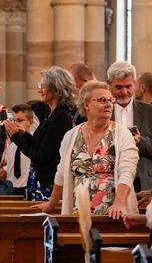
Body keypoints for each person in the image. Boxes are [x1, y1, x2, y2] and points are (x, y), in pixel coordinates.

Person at [34, 81, 138, 217]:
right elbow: (61, 172)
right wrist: (51, 204)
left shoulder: (122, 134)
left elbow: (127, 171)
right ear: (86, 105)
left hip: (113, 214)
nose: (108, 104)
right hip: (78, 213)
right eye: (102, 100)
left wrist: (119, 203)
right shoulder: (71, 135)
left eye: (110, 100)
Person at [6, 66, 75, 201]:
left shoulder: (60, 117)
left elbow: (43, 156)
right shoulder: (52, 114)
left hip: (48, 183)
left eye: (42, 86)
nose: (39, 90)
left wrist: (17, 138)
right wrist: (23, 134)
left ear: (55, 89)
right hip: (41, 180)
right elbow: (40, 145)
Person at [108, 61, 152, 191]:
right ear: (109, 85)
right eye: (119, 87)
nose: (124, 91)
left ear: (135, 84)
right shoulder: (102, 111)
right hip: (111, 181)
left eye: (128, 86)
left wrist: (140, 141)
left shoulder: (149, 111)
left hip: (141, 182)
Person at [0, 104, 35, 196]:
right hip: (11, 191)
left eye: (20, 121)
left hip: (27, 190)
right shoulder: (12, 145)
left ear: (31, 122)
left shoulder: (34, 141)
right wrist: (5, 169)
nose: (15, 124)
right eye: (13, 120)